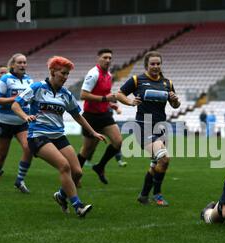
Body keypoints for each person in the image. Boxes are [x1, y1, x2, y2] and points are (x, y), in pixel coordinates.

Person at [11, 56, 105, 217]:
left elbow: (77, 115)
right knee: (64, 166)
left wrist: (93, 132)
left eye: (68, 74)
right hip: (38, 135)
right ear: (53, 72)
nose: (66, 77)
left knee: (77, 172)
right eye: (63, 73)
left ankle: (61, 196)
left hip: (58, 135)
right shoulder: (37, 87)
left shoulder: (66, 94)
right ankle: (78, 205)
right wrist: (25, 117)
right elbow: (15, 104)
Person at [116, 50, 180, 206]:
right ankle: (157, 194)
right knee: (164, 159)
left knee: (156, 164)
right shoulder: (138, 80)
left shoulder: (167, 83)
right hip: (143, 127)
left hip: (161, 127)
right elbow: (119, 94)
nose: (156, 66)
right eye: (152, 64)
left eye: (158, 63)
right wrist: (130, 102)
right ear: (146, 65)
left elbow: (175, 105)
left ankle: (144, 195)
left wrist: (175, 100)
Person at [0, 53, 34, 193]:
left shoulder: (29, 80)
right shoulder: (5, 79)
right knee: (2, 154)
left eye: (24, 62)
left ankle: (20, 181)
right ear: (13, 65)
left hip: (22, 121)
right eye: (19, 62)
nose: (22, 65)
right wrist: (15, 99)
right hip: (3, 121)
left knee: (29, 148)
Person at [76, 48, 122, 185]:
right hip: (91, 117)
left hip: (105, 114)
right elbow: (83, 95)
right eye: (105, 57)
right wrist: (104, 99)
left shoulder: (108, 74)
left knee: (118, 142)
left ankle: (100, 166)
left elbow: (105, 95)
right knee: (87, 149)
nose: (108, 60)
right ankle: (75, 175)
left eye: (109, 58)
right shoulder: (93, 74)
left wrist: (110, 104)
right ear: (98, 58)